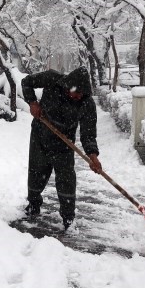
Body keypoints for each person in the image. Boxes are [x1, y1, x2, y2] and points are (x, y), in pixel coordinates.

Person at [21, 66, 103, 230]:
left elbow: (88, 133)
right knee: (37, 173)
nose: (78, 96)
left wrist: (92, 155)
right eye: (76, 92)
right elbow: (26, 82)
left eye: (81, 94)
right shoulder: (52, 79)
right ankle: (33, 204)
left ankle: (68, 218)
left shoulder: (86, 103)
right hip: (41, 135)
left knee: (66, 180)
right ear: (68, 85)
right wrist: (33, 102)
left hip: (64, 144)